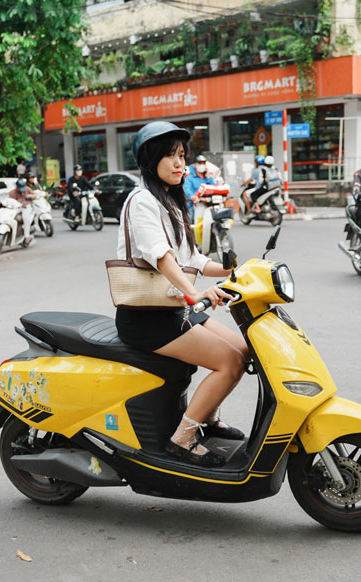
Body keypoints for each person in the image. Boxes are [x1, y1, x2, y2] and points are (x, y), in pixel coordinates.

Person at [115, 121, 248, 467]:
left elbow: (194, 259)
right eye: (171, 156)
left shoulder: (171, 202)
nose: (180, 164)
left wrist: (235, 271)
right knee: (230, 362)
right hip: (149, 317)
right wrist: (193, 293)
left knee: (244, 349)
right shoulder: (142, 200)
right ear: (151, 159)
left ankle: (208, 418)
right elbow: (162, 256)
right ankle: (183, 438)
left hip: (176, 309)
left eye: (182, 156)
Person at [183, 154, 219, 224]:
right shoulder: (190, 178)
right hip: (195, 204)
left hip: (208, 203)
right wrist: (192, 196)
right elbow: (186, 189)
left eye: (203, 163)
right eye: (200, 163)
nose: (202, 165)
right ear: (195, 165)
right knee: (191, 221)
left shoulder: (208, 178)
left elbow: (215, 188)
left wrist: (209, 178)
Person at [8, 177, 35, 247]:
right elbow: (9, 201)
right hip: (16, 208)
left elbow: (34, 195)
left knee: (26, 218)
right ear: (17, 187)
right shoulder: (12, 193)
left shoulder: (27, 189)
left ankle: (26, 237)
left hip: (26, 207)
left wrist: (30, 196)